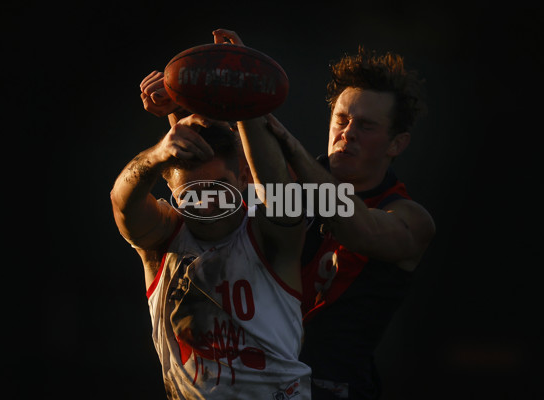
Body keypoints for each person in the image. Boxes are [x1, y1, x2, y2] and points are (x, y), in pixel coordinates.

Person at [110, 31, 311, 399]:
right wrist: (157, 155)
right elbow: (122, 202)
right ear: (171, 193)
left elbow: (279, 191)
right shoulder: (164, 241)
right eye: (193, 193)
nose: (208, 203)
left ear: (244, 179)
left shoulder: (269, 235)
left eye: (220, 187)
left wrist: (246, 104)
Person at [266, 47, 436, 398]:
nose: (348, 133)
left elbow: (361, 229)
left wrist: (288, 148)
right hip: (257, 384)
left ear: (398, 143)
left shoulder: (410, 218)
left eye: (367, 126)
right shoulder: (288, 185)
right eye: (341, 120)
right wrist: (180, 109)